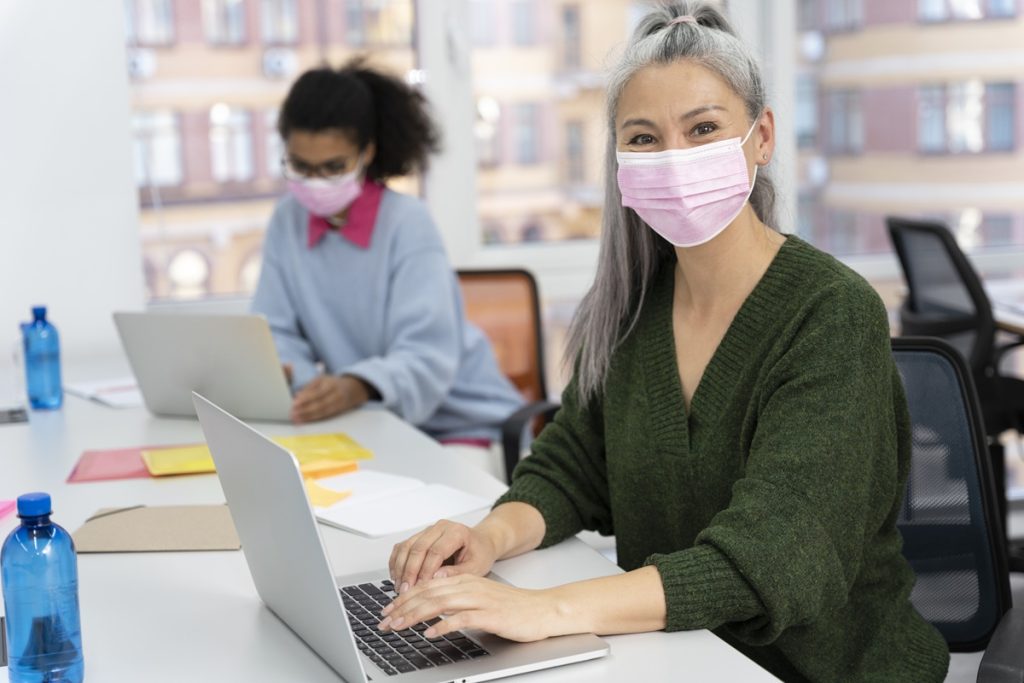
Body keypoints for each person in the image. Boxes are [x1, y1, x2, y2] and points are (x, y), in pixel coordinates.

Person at [380, 3, 950, 681]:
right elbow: (572, 466)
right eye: (644, 138)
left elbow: (773, 556)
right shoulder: (639, 304)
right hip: (670, 655)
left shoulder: (830, 315)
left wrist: (545, 610)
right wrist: (486, 537)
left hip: (823, 669)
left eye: (703, 128)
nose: (674, 158)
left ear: (762, 136)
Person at [252, 60, 523, 455]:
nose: (315, 182)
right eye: (301, 167)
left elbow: (426, 358)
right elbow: (274, 332)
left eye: (333, 167)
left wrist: (355, 386)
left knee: (428, 514)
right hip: (369, 423)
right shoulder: (286, 222)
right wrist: (309, 385)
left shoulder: (407, 224)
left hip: (460, 423)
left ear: (367, 153)